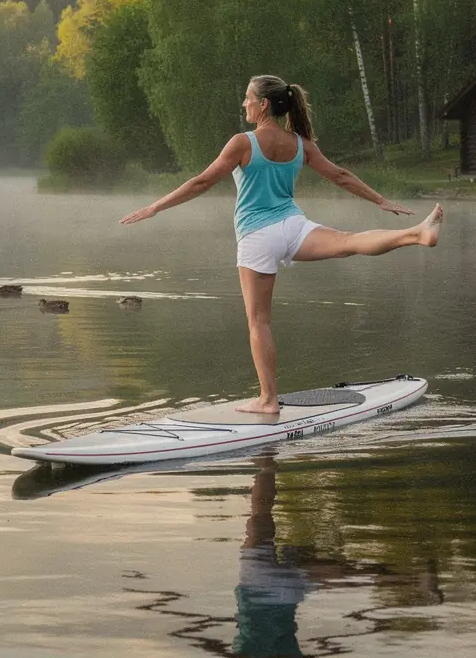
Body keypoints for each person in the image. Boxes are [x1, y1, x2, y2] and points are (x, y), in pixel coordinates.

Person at [119, 74, 443, 414]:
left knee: (259, 322)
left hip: (257, 237)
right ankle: (416, 234)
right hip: (294, 227)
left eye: (247, 98)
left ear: (263, 104)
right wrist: (380, 200)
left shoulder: (242, 143)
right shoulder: (300, 144)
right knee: (350, 241)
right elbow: (340, 176)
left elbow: (201, 183)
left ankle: (268, 399)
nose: (244, 103)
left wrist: (155, 208)